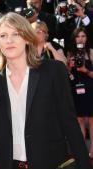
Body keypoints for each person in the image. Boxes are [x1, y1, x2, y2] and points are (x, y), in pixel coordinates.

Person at [0, 12, 92, 169]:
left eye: (15, 34)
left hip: (50, 162)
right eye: (3, 36)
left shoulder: (52, 71)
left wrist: (84, 164)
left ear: (26, 38)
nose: (8, 41)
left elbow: (69, 122)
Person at [66, 27, 93, 157]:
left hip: (90, 88)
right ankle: (82, 150)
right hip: (76, 88)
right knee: (80, 119)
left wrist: (85, 70)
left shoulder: (91, 53)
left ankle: (92, 150)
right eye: (78, 36)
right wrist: (69, 67)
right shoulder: (70, 53)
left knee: (92, 120)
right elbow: (67, 76)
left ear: (87, 38)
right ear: (74, 38)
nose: (81, 38)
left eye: (83, 36)